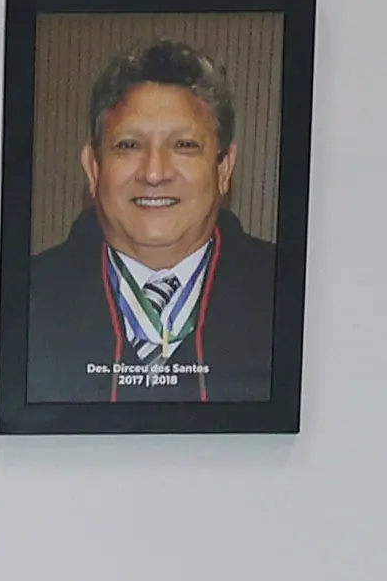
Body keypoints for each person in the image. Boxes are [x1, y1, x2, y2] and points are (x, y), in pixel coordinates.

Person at [18, 40, 280, 406]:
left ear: (224, 168)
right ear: (93, 168)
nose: (154, 173)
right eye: (128, 146)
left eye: (185, 145)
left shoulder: (285, 294)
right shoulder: (23, 298)